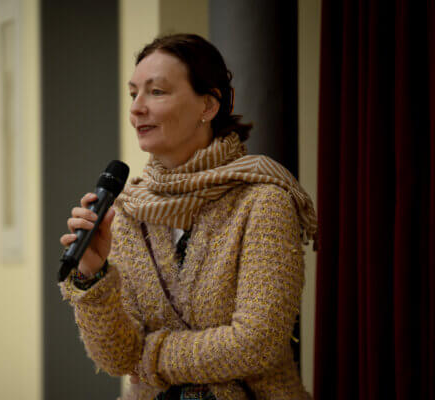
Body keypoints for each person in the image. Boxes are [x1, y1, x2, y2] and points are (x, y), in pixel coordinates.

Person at [59, 33, 317, 400]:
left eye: (156, 92)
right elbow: (117, 357)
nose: (137, 108)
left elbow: (257, 343)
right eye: (133, 94)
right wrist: (92, 273)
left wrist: (151, 357)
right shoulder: (131, 209)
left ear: (208, 106)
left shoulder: (263, 200)